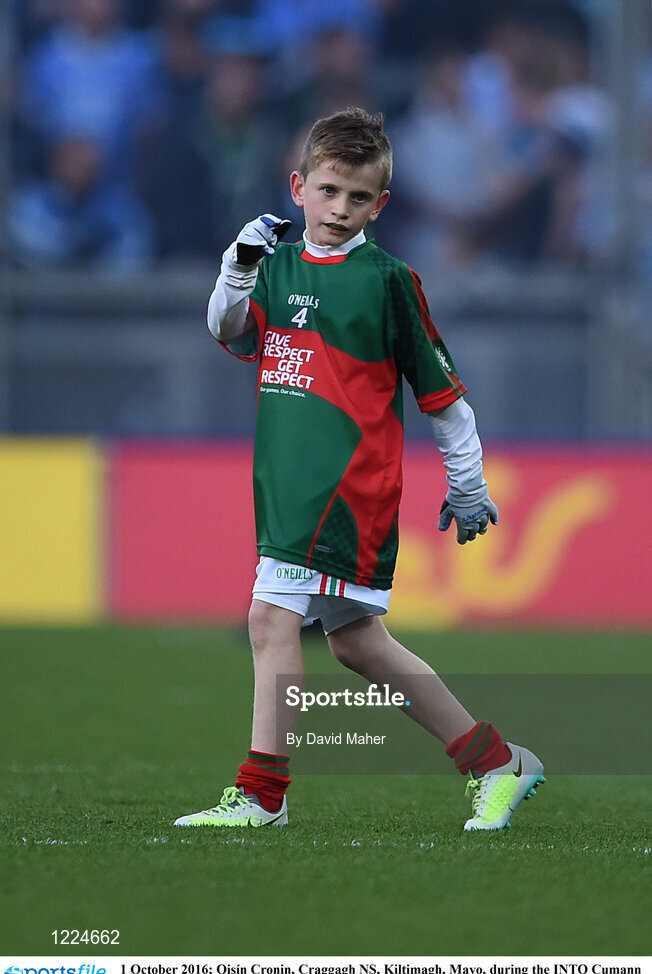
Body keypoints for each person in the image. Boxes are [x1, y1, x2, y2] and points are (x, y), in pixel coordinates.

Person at [174, 108, 544, 832]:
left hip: (348, 488)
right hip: (287, 487)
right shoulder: (273, 266)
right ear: (298, 187)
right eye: (329, 191)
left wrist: (467, 483)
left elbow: (442, 394)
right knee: (357, 644)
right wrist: (236, 266)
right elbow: (226, 328)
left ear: (380, 204)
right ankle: (497, 763)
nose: (340, 209)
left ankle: (261, 797)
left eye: (357, 197)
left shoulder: (388, 280)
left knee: (268, 617)